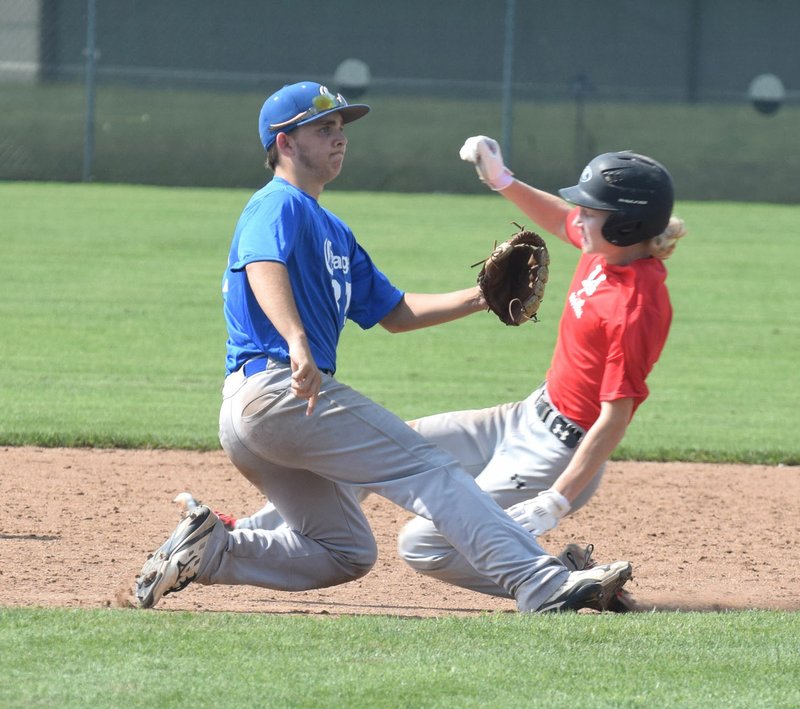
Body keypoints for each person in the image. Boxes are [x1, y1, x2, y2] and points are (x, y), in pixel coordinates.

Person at [133, 83, 633, 613]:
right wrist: (298, 341)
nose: (339, 138)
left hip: (264, 411)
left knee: (346, 550)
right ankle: (541, 582)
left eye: (342, 128)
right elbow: (262, 265)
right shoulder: (277, 204)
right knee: (432, 471)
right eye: (323, 128)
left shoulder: (332, 230)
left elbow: (394, 313)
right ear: (284, 143)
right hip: (278, 387)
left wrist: (482, 298)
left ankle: (212, 551)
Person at [391, 137, 685, 598]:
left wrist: (557, 499)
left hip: (554, 457)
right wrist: (501, 180)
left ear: (628, 224)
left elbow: (615, 417)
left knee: (422, 544)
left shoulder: (635, 306)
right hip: (523, 415)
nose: (580, 217)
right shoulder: (604, 250)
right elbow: (557, 217)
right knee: (386, 444)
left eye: (592, 210)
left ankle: (560, 583)